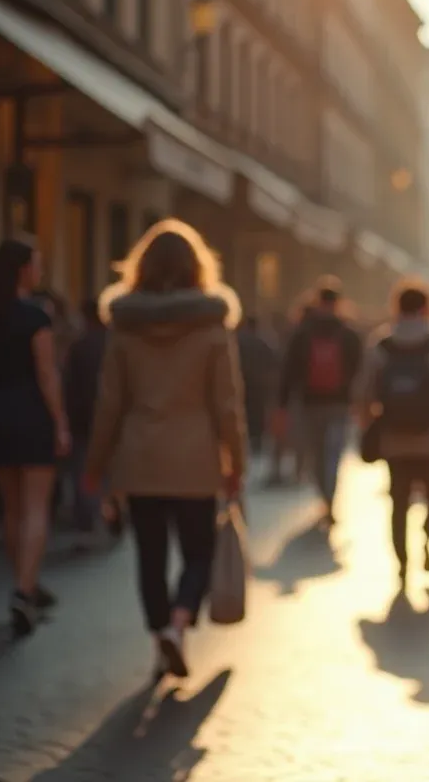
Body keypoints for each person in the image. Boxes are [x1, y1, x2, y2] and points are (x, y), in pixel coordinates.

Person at [81, 219, 247, 679]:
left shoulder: (125, 328)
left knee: (149, 556)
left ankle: (160, 637)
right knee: (199, 551)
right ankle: (178, 622)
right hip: (196, 457)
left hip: (141, 456)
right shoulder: (212, 327)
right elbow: (227, 404)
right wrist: (236, 462)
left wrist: (95, 466)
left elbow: (110, 404)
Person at [356, 280, 429, 585]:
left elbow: (363, 392)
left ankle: (402, 562)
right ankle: (428, 536)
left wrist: (369, 423)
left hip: (395, 439)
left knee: (399, 502)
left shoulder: (382, 344)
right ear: (427, 307)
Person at [0, 238, 69, 637]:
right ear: (24, 269)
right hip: (32, 415)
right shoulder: (36, 316)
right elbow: (46, 374)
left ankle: (25, 583)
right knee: (36, 508)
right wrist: (60, 422)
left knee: (11, 509)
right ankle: (25, 590)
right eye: (37, 264)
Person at [276, 279, 363, 526]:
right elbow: (359, 369)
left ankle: (326, 498)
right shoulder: (348, 333)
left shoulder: (303, 332)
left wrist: (282, 404)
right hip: (339, 403)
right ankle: (329, 498)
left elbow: (289, 370)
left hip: (310, 403)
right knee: (332, 454)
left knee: (315, 454)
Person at [63, 299, 110, 546]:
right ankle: (109, 518)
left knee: (84, 470)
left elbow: (69, 385)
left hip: (82, 418)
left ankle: (88, 522)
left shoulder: (80, 346)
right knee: (108, 471)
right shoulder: (114, 342)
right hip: (108, 417)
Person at [237, 315, 280, 456]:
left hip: (241, 384)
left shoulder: (237, 341)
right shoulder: (262, 343)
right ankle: (256, 444)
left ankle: (244, 442)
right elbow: (272, 364)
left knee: (243, 414)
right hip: (259, 387)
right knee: (256, 416)